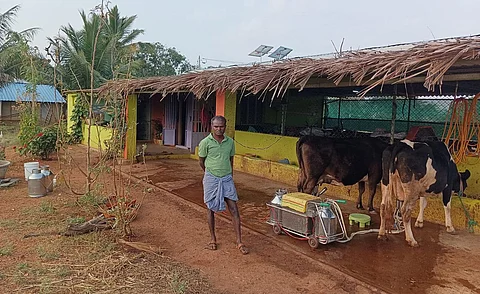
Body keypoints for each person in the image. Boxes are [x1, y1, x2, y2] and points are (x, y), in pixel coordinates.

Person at [198, 115, 249, 255]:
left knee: (234, 209)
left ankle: (239, 242)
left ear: (225, 127)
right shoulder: (205, 143)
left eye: (221, 126)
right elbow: (201, 162)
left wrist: (229, 175)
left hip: (226, 179)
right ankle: (212, 240)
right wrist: (211, 174)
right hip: (211, 179)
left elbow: (230, 160)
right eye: (216, 127)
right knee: (210, 208)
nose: (219, 129)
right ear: (211, 127)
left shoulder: (230, 142)